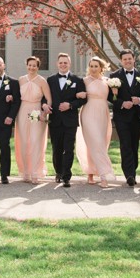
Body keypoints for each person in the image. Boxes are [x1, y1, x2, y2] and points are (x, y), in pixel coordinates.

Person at [109, 49, 140, 186]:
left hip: (136, 116)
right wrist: (122, 103)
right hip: (121, 116)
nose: (127, 61)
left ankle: (133, 169)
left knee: (134, 145)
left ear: (134, 59)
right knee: (125, 144)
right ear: (121, 61)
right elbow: (110, 96)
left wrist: (139, 100)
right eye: (125, 59)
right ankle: (129, 174)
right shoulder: (114, 76)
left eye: (129, 58)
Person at [44, 53, 86, 188]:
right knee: (57, 148)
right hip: (55, 119)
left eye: (65, 63)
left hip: (70, 120)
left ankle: (66, 176)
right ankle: (58, 172)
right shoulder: (50, 80)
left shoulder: (77, 80)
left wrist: (71, 105)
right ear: (57, 64)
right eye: (61, 62)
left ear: (70, 64)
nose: (63, 65)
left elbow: (83, 99)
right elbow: (44, 97)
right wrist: (44, 105)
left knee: (69, 148)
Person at [75, 56, 115, 187]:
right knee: (94, 141)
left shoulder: (108, 81)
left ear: (101, 68)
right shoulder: (84, 81)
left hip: (102, 113)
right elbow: (76, 94)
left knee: (100, 143)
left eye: (95, 66)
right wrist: (78, 95)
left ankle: (92, 173)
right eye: (91, 66)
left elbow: (113, 98)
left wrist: (115, 93)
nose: (93, 69)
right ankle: (104, 175)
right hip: (88, 113)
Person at [15, 56, 52, 184]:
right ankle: (26, 171)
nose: (32, 67)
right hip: (23, 110)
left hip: (37, 110)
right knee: (24, 142)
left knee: (36, 142)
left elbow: (48, 99)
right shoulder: (20, 80)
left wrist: (44, 111)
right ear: (26, 65)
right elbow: (16, 97)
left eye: (34, 65)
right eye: (29, 65)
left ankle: (36, 172)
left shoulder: (42, 81)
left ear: (38, 66)